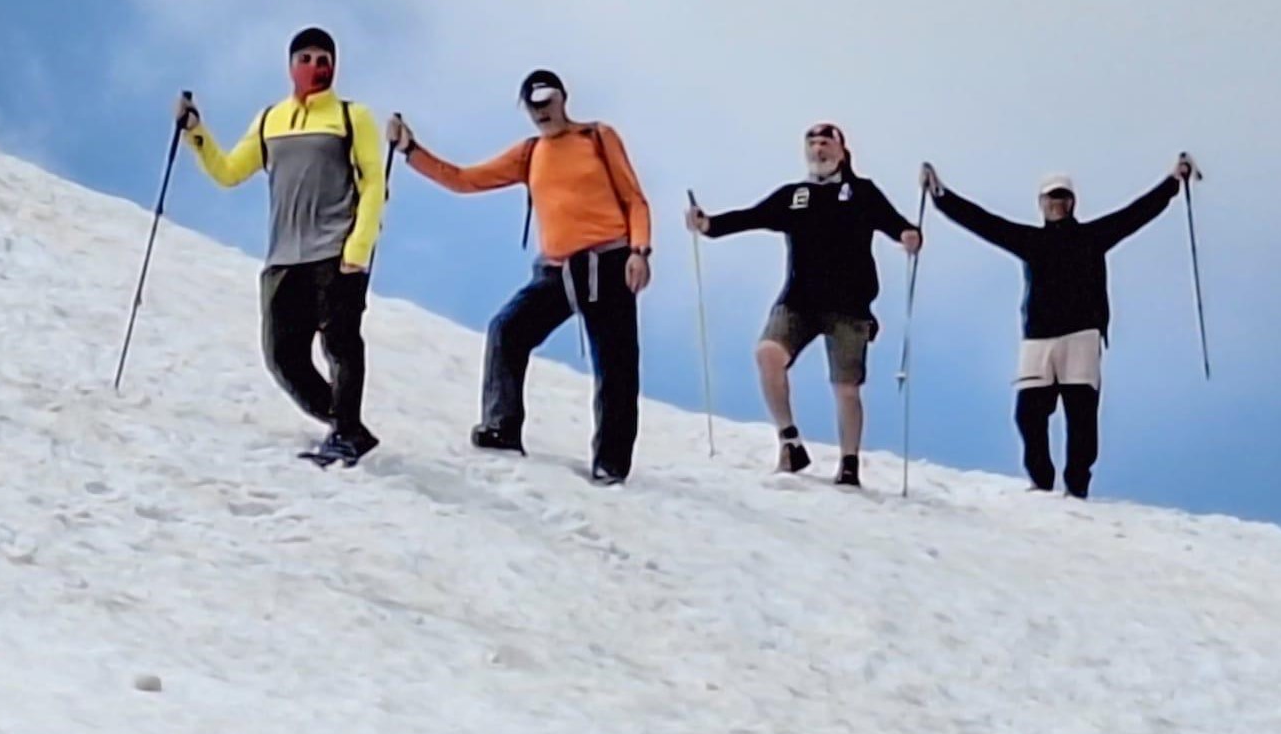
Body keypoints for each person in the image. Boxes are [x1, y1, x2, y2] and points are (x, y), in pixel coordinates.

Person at [385, 69, 652, 484]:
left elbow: (634, 197)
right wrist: (409, 149)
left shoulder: (597, 137)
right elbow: (464, 180)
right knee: (507, 330)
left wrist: (640, 251)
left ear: (563, 98)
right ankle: (502, 428)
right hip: (556, 269)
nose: (541, 110)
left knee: (616, 366)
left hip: (609, 262)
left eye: (546, 99)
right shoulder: (529, 154)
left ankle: (611, 463)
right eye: (532, 104)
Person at [919, 155, 1195, 498]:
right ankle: (1041, 480)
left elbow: (1136, 213)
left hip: (1082, 335)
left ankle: (1076, 486)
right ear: (1041, 203)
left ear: (1072, 202)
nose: (1057, 203)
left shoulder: (1093, 236)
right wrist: (940, 195)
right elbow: (984, 223)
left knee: (1081, 417)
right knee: (1028, 414)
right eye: (1051, 197)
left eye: (1062, 196)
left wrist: (1172, 181)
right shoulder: (1031, 241)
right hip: (1038, 339)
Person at [175, 26, 387, 467]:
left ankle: (346, 433)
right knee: (282, 356)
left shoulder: (352, 116)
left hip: (335, 251)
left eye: (324, 58)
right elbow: (230, 171)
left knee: (341, 344)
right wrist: (196, 133)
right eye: (307, 58)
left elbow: (373, 185)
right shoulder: (271, 119)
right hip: (284, 257)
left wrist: (358, 248)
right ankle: (345, 423)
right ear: (291, 66)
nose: (317, 66)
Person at [685, 123, 922, 485]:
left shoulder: (861, 191)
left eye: (826, 143)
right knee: (768, 354)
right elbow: (752, 216)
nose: (818, 150)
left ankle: (848, 464)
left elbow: (895, 224)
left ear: (843, 151)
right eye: (812, 144)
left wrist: (907, 234)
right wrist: (709, 225)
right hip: (798, 300)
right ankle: (790, 442)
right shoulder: (794, 195)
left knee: (846, 387)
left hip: (849, 304)